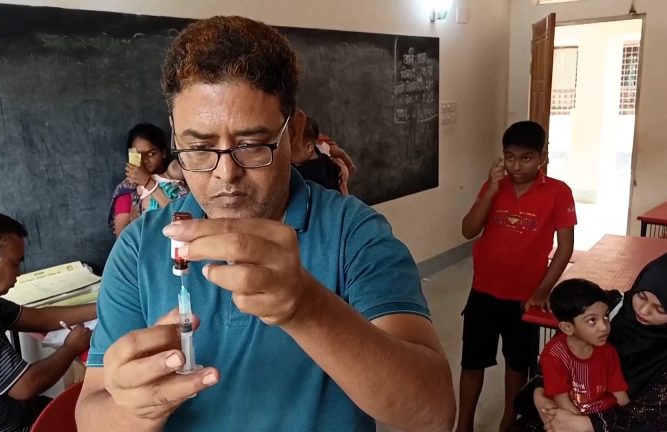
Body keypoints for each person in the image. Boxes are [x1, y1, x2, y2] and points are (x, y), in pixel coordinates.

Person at [76, 16, 455, 432]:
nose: (225, 174)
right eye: (199, 147)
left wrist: (307, 308)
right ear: (175, 136)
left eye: (252, 145)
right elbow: (90, 414)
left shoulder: (353, 233)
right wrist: (135, 410)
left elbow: (433, 414)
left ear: (293, 132)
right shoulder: (139, 247)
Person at [457, 120, 577, 432]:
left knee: (517, 365)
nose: (516, 166)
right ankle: (463, 425)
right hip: (483, 291)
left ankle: (508, 424)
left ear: (542, 157)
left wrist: (542, 291)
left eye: (526, 158)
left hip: (525, 299)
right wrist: (490, 192)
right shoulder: (494, 186)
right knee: (472, 361)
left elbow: (565, 248)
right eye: (509, 157)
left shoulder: (558, 192)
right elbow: (468, 230)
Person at [512, 246, 667, 432]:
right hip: (562, 413)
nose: (643, 311)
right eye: (642, 296)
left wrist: (587, 425)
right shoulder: (607, 308)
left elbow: (655, 417)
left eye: (660, 309)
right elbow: (557, 359)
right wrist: (540, 395)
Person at [0, 210, 96, 432]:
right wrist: (72, 346)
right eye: (15, 264)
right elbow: (27, 385)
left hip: (15, 411)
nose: (19, 274)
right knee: (98, 413)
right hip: (4, 427)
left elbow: (40, 318)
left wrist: (102, 307)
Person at [541, 279, 629, 416]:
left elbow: (620, 396)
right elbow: (562, 402)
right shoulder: (554, 355)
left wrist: (630, 420)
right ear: (567, 327)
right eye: (592, 320)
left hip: (602, 417)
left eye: (606, 316)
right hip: (572, 417)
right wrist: (586, 424)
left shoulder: (608, 352)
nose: (604, 327)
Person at [108, 123, 188, 236]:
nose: (145, 160)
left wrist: (149, 183)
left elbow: (183, 219)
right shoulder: (127, 189)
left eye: (151, 154)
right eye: (138, 155)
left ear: (163, 152)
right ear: (131, 156)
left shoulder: (177, 180)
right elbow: (122, 237)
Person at [290, 113, 343, 193]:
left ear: (309, 147)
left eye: (292, 149)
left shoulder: (309, 174)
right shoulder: (324, 158)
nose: (287, 152)